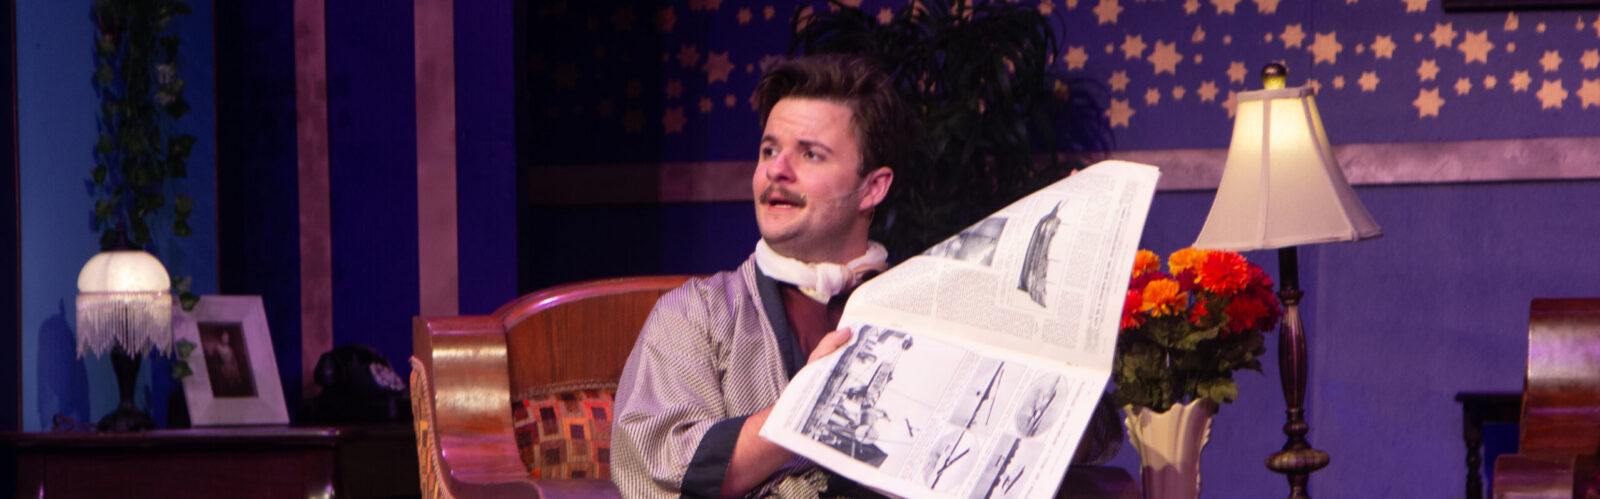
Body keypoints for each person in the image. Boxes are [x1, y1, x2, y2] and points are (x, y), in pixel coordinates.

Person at [611, 54, 914, 498]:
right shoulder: (696, 315)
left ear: (873, 187)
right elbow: (657, 469)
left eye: (810, 154)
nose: (777, 169)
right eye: (769, 150)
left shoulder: (917, 315)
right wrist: (807, 406)